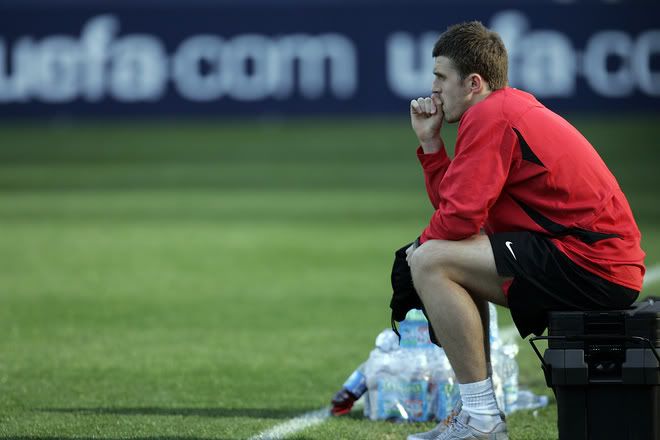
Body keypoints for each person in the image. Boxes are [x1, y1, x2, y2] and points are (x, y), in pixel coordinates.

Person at [403, 21, 645, 440]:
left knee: (431, 262)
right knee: (438, 259)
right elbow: (462, 216)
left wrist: (419, 252)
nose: (434, 88)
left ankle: (481, 419)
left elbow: (457, 222)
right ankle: (475, 413)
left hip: (591, 261)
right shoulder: (503, 109)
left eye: (441, 77)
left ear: (473, 82)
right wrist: (431, 146)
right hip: (589, 257)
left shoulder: (491, 117)